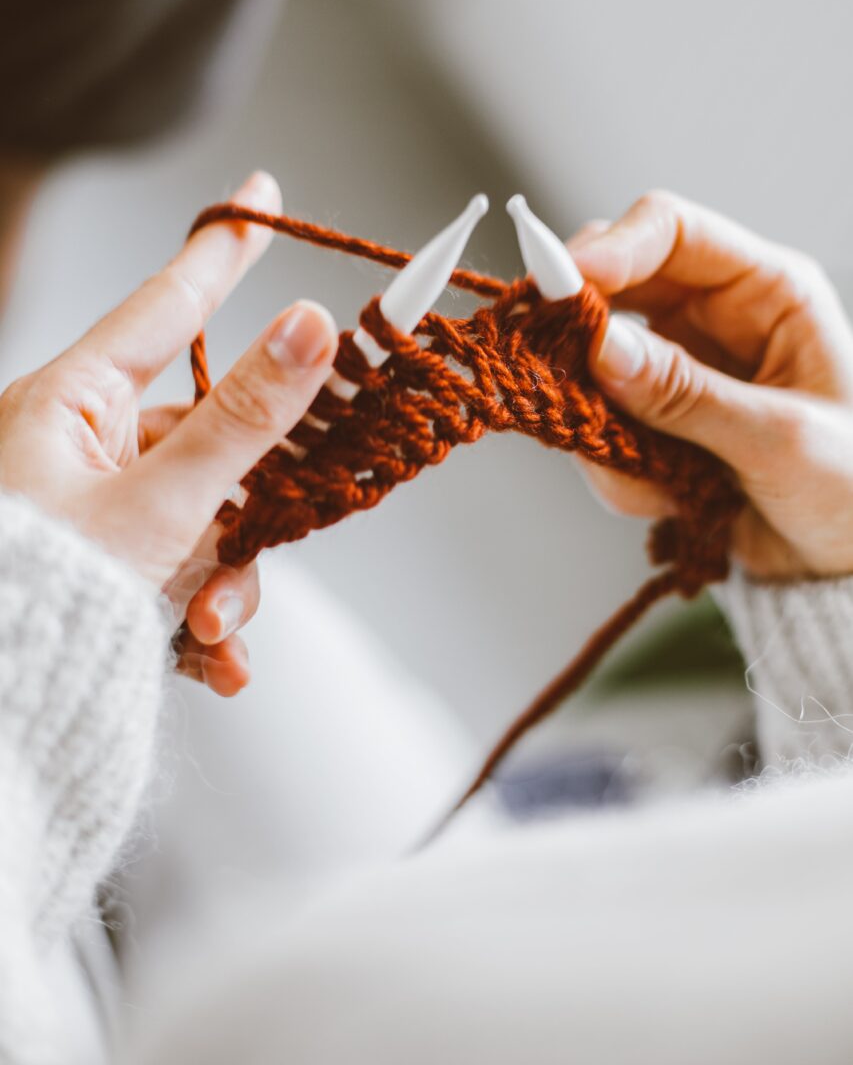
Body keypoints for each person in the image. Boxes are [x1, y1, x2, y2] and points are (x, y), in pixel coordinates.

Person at [2, 183, 853, 1062]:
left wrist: (22, 666)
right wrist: (831, 596)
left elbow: (265, 1023)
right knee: (235, 609)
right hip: (482, 927)